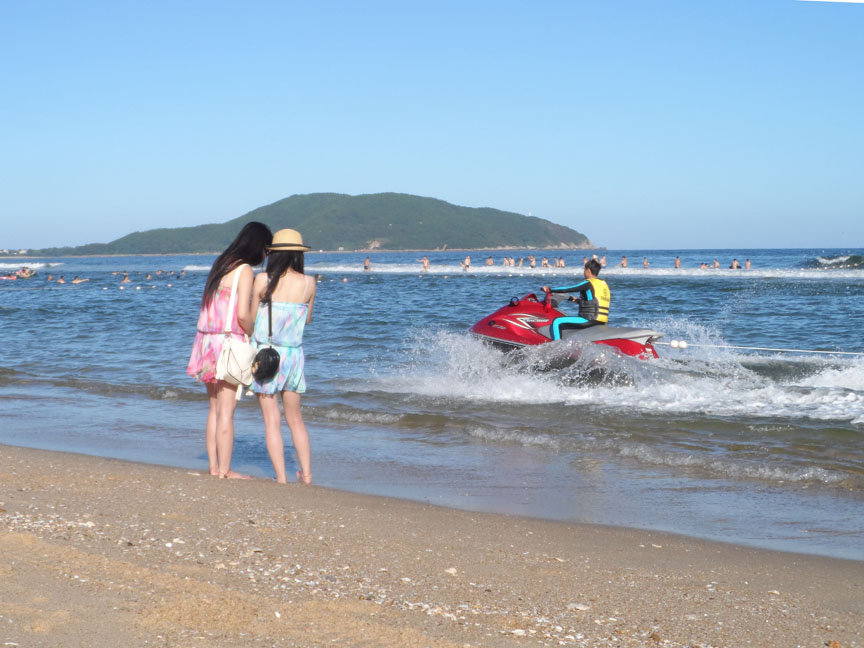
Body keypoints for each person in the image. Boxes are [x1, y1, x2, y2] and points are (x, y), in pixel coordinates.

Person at [186, 221, 272, 479]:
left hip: (205, 342)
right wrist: (252, 331)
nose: (266, 255)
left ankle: (214, 467)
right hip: (228, 345)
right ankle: (225, 469)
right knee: (226, 411)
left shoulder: (221, 264)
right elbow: (243, 314)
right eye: (266, 249)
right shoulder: (245, 270)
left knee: (213, 409)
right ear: (258, 246)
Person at [249, 229, 315, 485]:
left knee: (271, 420)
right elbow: (307, 320)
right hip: (293, 356)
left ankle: (281, 478)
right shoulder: (309, 283)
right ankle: (307, 475)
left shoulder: (262, 280)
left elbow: (253, 318)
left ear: (273, 253)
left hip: (266, 354)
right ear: (299, 254)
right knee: (295, 419)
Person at [541, 259, 610, 340]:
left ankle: (557, 347)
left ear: (588, 270)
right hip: (602, 321)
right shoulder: (604, 285)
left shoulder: (588, 283)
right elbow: (595, 302)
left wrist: (550, 289)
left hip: (589, 319)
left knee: (557, 321)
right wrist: (578, 301)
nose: (584, 272)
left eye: (584, 270)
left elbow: (569, 288)